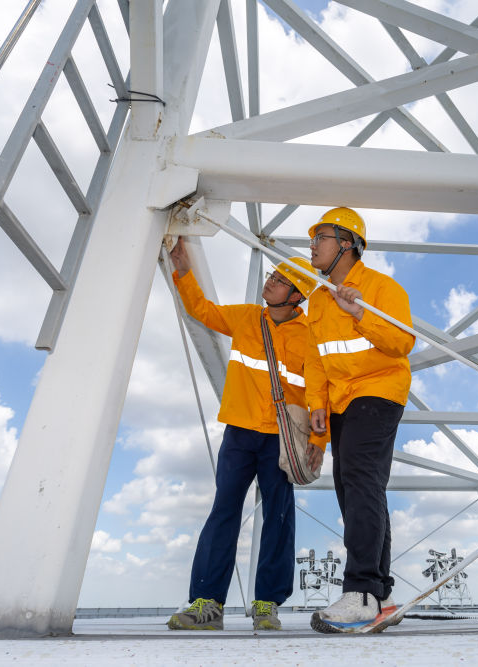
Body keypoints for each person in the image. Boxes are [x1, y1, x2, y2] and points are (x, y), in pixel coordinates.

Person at [166, 236, 324, 632]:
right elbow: (202, 310)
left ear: (297, 296)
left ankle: (267, 604)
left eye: (280, 280)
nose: (270, 281)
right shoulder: (247, 317)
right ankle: (207, 603)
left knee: (279, 518)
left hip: (280, 440)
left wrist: (318, 443)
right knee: (224, 512)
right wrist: (182, 270)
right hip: (239, 433)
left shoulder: (310, 337)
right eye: (271, 275)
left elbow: (321, 394)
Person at [303, 207, 416, 633]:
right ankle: (381, 595)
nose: (312, 245)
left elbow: (402, 342)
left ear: (347, 244)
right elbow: (316, 359)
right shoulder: (316, 298)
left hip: (379, 391)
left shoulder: (381, 288)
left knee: (359, 477)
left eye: (321, 237)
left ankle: (362, 591)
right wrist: (317, 402)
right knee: (355, 487)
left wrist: (360, 314)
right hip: (339, 402)